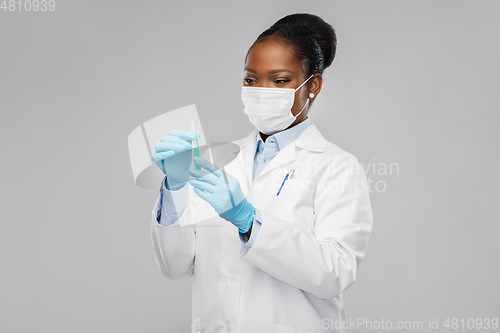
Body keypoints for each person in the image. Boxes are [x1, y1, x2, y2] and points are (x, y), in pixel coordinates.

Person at [151, 13, 373, 333]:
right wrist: (175, 188)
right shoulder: (219, 160)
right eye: (251, 79)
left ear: (313, 86)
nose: (261, 90)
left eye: (280, 80)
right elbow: (175, 267)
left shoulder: (336, 167)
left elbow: (335, 273)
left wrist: (248, 220)